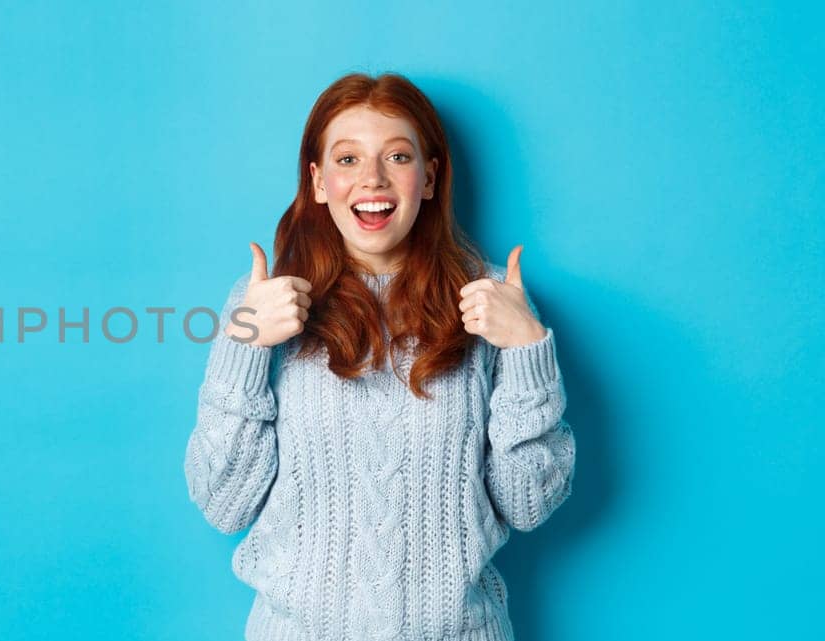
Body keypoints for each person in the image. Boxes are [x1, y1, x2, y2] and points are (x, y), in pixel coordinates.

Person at [183, 72, 575, 641]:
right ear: (317, 182)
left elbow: (530, 503)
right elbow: (223, 503)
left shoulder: (492, 300)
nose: (372, 178)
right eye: (347, 159)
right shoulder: (263, 304)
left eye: (396, 155)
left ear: (431, 177)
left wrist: (527, 352)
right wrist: (241, 347)